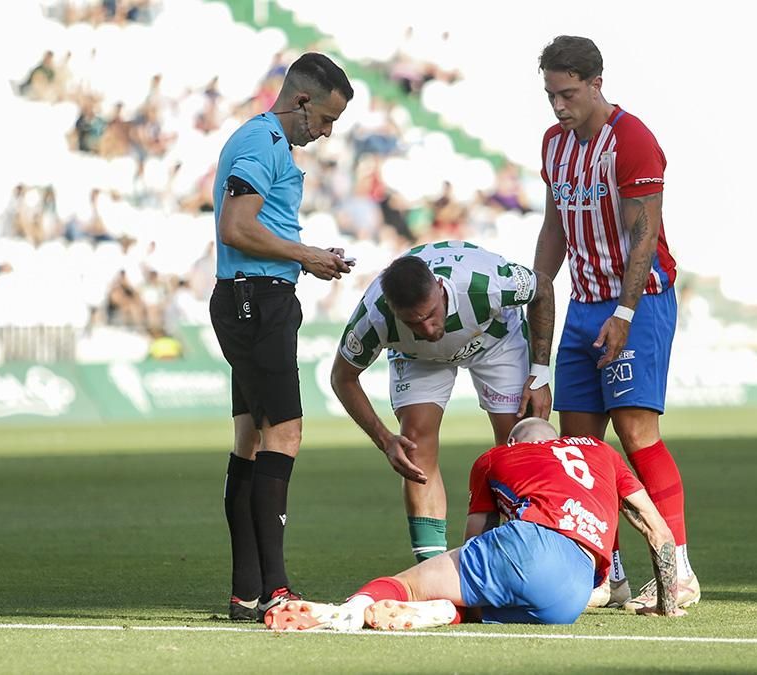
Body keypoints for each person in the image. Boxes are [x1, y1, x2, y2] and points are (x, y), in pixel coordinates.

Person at [532, 35, 694, 610]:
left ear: (597, 83)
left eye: (568, 93)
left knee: (635, 432)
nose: (558, 106)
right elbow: (556, 223)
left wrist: (624, 313)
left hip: (639, 300)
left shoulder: (632, 139)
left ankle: (679, 568)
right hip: (581, 304)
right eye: (551, 94)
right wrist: (539, 282)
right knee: (579, 446)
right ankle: (610, 573)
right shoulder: (554, 143)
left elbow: (645, 233)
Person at [263, 418, 684, 631]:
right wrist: (667, 605)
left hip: (528, 545)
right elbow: (658, 531)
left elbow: (474, 539)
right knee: (481, 605)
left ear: (516, 443)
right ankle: (442, 613)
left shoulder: (497, 457)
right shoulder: (601, 453)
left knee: (411, 582)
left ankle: (347, 612)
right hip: (571, 596)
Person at [209, 52, 355, 622]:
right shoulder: (262, 144)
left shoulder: (264, 143)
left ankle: (247, 590)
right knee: (285, 434)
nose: (325, 132)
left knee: (249, 438)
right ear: (300, 102)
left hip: (249, 298)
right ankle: (277, 590)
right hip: (257, 301)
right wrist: (307, 255)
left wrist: (305, 257)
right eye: (325, 119)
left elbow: (249, 225)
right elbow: (236, 227)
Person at [329, 241, 555, 564]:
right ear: (394, 312)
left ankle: (529, 556)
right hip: (420, 358)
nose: (428, 328)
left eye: (431, 315)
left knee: (519, 443)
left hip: (493, 339)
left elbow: (542, 287)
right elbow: (342, 377)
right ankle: (432, 568)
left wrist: (540, 372)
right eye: (413, 323)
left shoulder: (484, 282)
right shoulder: (374, 315)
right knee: (414, 445)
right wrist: (384, 439)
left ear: (439, 286)